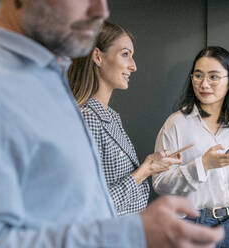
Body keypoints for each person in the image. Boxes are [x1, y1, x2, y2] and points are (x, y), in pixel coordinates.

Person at [0, 0, 224, 247]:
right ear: (98, 56)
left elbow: (81, 210)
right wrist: (133, 230)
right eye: (125, 54)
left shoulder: (54, 91)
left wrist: (148, 172)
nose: (101, 10)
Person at [153, 46, 229, 248]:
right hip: (191, 224)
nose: (204, 84)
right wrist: (203, 164)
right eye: (198, 76)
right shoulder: (176, 124)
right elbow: (160, 182)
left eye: (213, 77)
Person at [68, 21, 179, 216]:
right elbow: (89, 208)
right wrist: (142, 172)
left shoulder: (109, 116)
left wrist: (151, 165)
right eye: (125, 54)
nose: (133, 66)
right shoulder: (85, 119)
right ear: (97, 57)